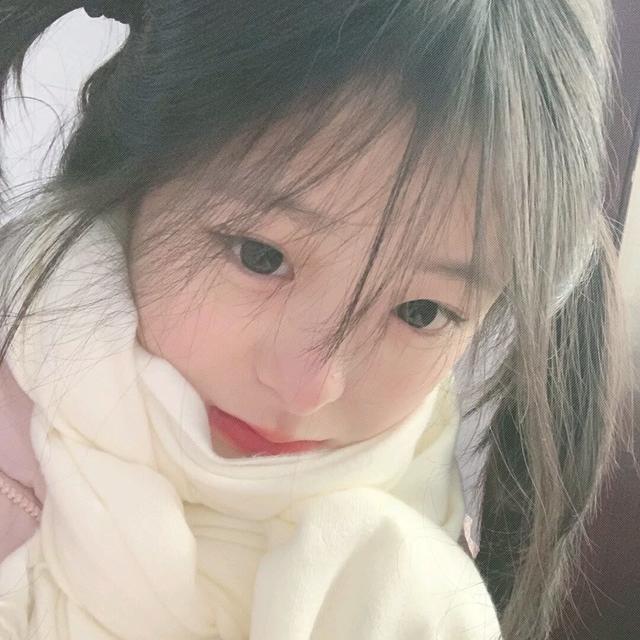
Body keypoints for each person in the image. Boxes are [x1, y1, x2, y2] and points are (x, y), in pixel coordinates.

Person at [0, 1, 633, 639]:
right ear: (138, 174)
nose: (310, 389)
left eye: (420, 312)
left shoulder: (426, 576)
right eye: (261, 256)